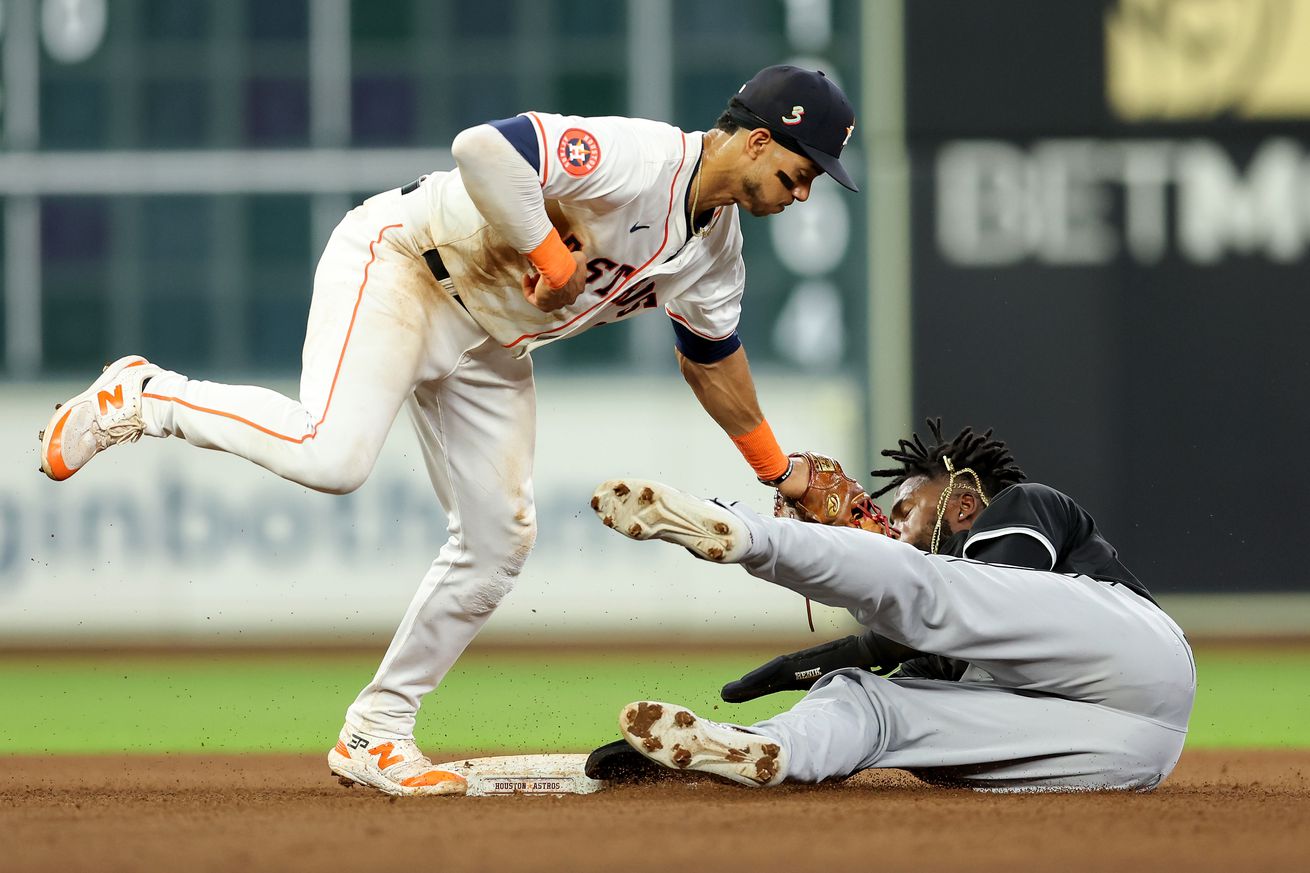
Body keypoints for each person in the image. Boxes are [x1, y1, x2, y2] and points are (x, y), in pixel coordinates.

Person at [37, 66, 860, 796]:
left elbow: (713, 364)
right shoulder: (641, 156)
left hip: (490, 346)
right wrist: (550, 249)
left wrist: (779, 471)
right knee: (334, 455)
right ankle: (142, 397)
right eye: (803, 170)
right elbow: (482, 150)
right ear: (757, 141)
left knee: (500, 539)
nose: (805, 191)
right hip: (404, 264)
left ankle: (374, 733)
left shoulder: (718, 254)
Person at [588, 420, 1196, 792]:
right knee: (872, 707)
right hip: (1129, 757)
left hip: (1143, 658)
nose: (891, 520)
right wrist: (830, 673)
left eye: (904, 508)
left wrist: (854, 632)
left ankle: (741, 531)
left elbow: (976, 598)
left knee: (926, 589)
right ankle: (760, 749)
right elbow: (934, 650)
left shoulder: (1020, 505)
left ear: (961, 504)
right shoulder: (942, 603)